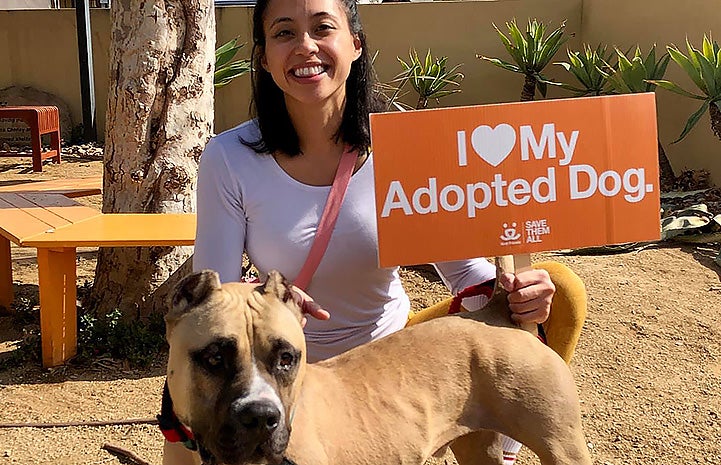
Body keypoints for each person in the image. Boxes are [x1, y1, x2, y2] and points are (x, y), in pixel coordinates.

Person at [163, 0, 580, 463]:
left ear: (355, 43)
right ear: (263, 57)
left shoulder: (400, 146)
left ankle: (501, 433)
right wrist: (272, 297)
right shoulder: (231, 157)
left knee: (561, 287)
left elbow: (466, 274)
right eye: (284, 33)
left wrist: (516, 291)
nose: (305, 47)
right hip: (283, 366)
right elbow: (219, 297)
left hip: (390, 354)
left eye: (323, 28)